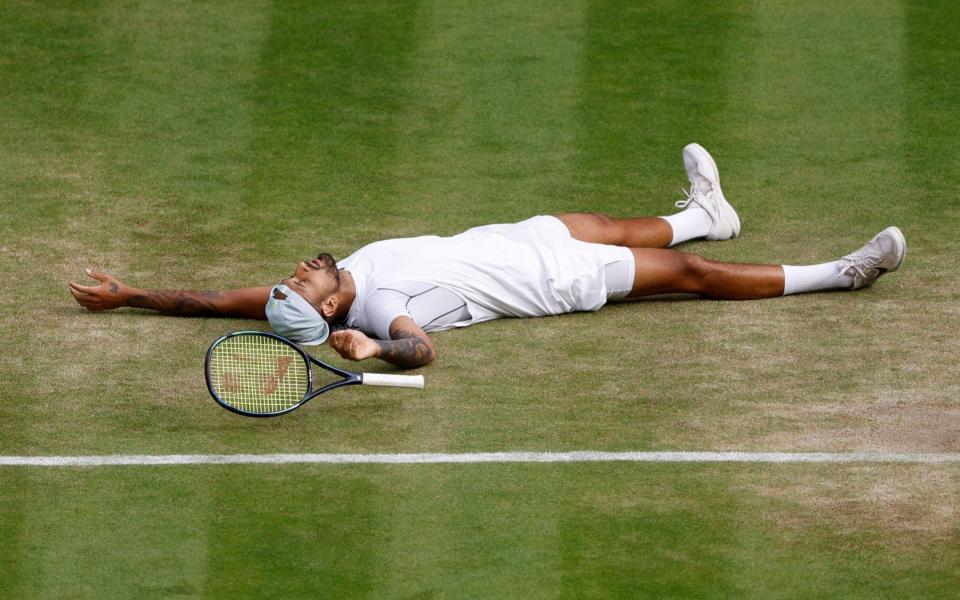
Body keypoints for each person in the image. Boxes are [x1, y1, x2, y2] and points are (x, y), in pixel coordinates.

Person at [68, 144, 906, 369]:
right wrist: (378, 351)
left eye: (293, 275)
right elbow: (420, 346)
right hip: (556, 280)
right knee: (692, 283)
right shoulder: (371, 303)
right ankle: (840, 273)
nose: (295, 269)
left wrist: (131, 292)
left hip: (528, 238)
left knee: (618, 221)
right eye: (300, 282)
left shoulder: (339, 282)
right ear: (329, 311)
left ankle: (705, 216)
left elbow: (217, 302)